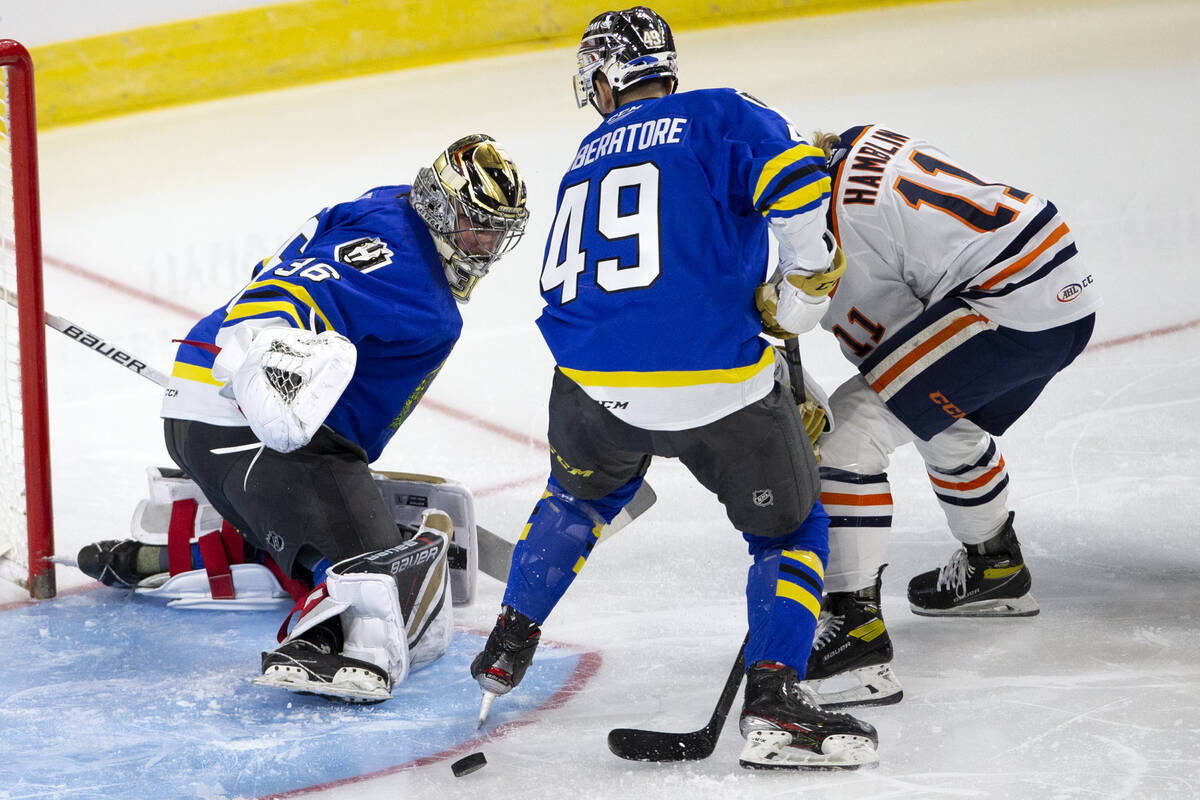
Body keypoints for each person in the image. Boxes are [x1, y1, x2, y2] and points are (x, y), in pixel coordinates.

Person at [469, 6, 878, 770]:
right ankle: (777, 700)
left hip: (588, 387)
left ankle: (507, 644)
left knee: (577, 500)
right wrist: (805, 293)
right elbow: (795, 187)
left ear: (603, 78)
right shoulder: (722, 110)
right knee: (790, 533)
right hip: (716, 388)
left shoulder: (586, 153)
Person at [76, 133, 530, 703]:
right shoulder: (406, 270)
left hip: (208, 417)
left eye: (497, 231)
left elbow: (291, 264)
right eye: (477, 226)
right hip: (251, 425)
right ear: (440, 209)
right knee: (379, 586)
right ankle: (323, 637)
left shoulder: (388, 205)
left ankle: (190, 555)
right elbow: (290, 292)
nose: (486, 245)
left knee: (319, 528)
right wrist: (262, 355)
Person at [801, 124, 1100, 708]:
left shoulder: (833, 233)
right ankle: (996, 568)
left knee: (850, 435)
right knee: (940, 414)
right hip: (1062, 283)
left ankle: (854, 637)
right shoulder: (860, 142)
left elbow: (880, 348)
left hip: (1011, 305)